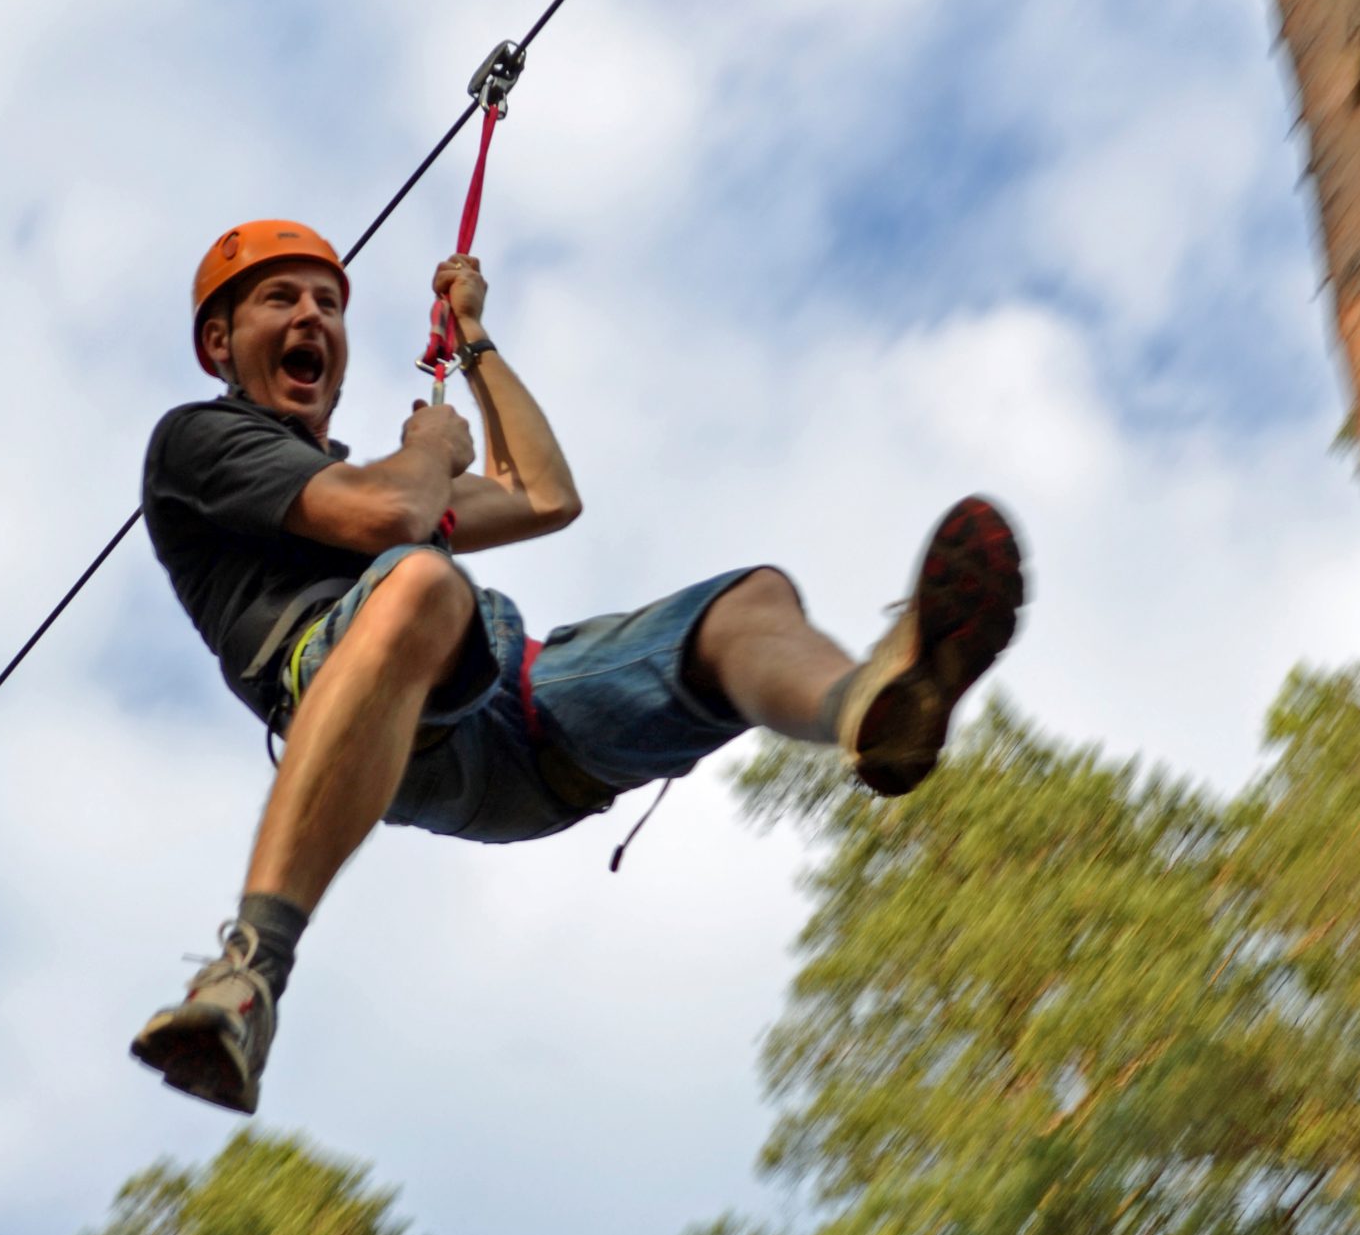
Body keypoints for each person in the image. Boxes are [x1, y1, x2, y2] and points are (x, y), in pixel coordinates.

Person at [132, 218, 1026, 1114]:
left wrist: (473, 342)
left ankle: (869, 702)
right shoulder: (202, 443)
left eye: (327, 303)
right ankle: (248, 975)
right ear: (220, 341)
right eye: (280, 300)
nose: (311, 318)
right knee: (420, 586)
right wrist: (433, 454)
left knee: (747, 602)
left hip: (521, 713)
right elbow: (390, 519)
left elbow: (543, 495)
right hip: (382, 719)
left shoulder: (387, 484)